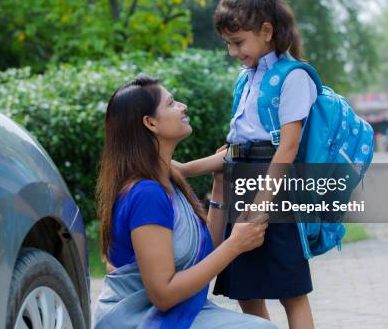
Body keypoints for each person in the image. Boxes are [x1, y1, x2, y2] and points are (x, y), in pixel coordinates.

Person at [173, 0, 316, 328]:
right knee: (247, 290)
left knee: (291, 291)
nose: (233, 52)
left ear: (266, 31)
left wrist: (263, 202)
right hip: (241, 189)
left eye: (238, 42)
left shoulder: (293, 77)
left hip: (275, 192)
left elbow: (288, 148)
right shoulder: (245, 79)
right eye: (228, 43)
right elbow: (235, 151)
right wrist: (185, 168)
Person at [94, 76, 276, 329]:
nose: (183, 106)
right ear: (150, 123)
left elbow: (202, 253)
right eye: (171, 103)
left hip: (179, 314)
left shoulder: (168, 181)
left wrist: (220, 185)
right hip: (141, 321)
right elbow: (164, 296)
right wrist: (235, 245)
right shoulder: (146, 193)